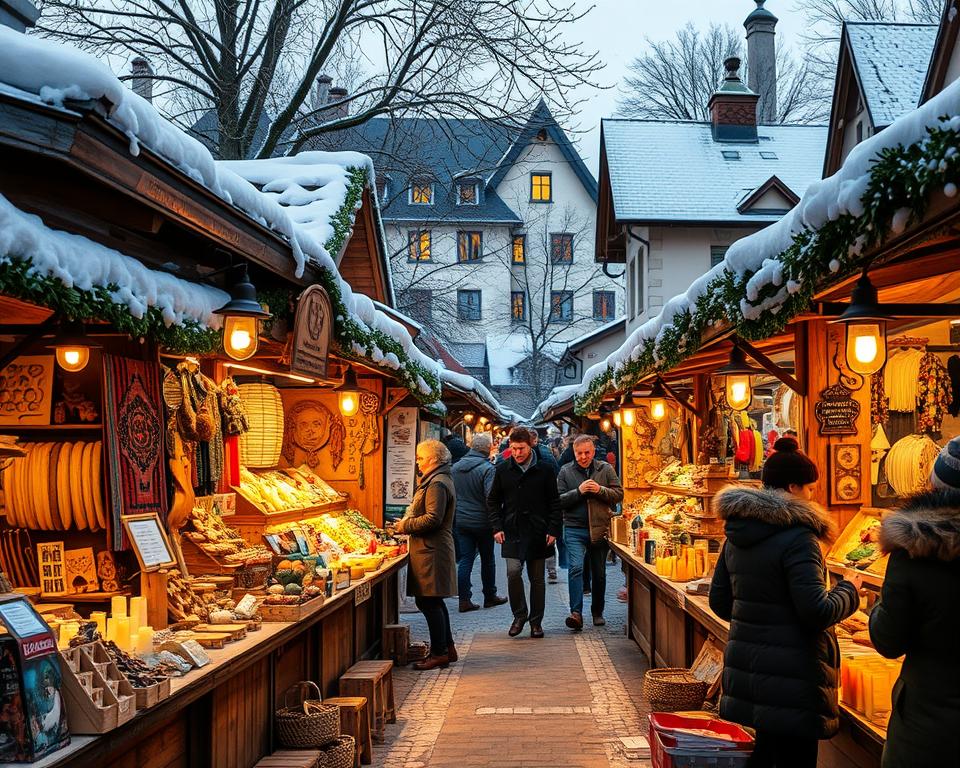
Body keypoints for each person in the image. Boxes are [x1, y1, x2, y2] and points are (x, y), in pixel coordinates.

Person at [709, 438, 862, 768]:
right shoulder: (800, 538)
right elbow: (816, 611)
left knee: (765, 756)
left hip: (752, 675)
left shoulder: (736, 531)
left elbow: (720, 602)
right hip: (794, 683)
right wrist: (849, 590)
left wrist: (758, 619)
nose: (813, 496)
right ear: (793, 486)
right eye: (810, 488)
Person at [868, 436, 960, 767]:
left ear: (934, 485)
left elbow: (888, 640)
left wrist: (879, 605)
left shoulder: (914, 550)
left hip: (927, 727)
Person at [487, 427, 562, 638]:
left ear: (531, 446)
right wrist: (496, 526)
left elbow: (554, 502)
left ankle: (536, 622)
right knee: (513, 573)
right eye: (513, 449)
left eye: (521, 448)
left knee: (537, 579)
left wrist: (553, 529)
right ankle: (519, 615)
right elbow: (493, 500)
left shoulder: (545, 469)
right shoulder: (503, 469)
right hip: (512, 530)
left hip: (538, 531)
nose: (517, 453)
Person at [393, 439, 458, 670]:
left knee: (428, 601)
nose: (417, 462)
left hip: (432, 550)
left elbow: (433, 518)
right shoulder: (438, 479)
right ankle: (447, 648)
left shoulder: (437, 483)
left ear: (432, 459)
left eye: (420, 457)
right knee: (433, 600)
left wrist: (404, 526)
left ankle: (439, 652)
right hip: (431, 549)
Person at [557, 435, 623, 630]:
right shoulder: (565, 471)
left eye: (587, 452)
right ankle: (576, 613)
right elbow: (558, 500)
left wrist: (600, 490)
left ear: (593, 452)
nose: (583, 457)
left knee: (599, 573)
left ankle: (597, 612)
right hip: (574, 528)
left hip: (600, 527)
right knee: (576, 568)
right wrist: (578, 491)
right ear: (574, 452)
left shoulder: (605, 469)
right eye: (579, 453)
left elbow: (619, 494)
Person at [451, 432, 508, 612]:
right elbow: (491, 497)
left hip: (461, 520)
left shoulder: (455, 467)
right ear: (487, 449)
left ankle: (464, 599)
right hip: (483, 522)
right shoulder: (487, 469)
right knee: (487, 559)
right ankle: (489, 596)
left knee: (466, 559)